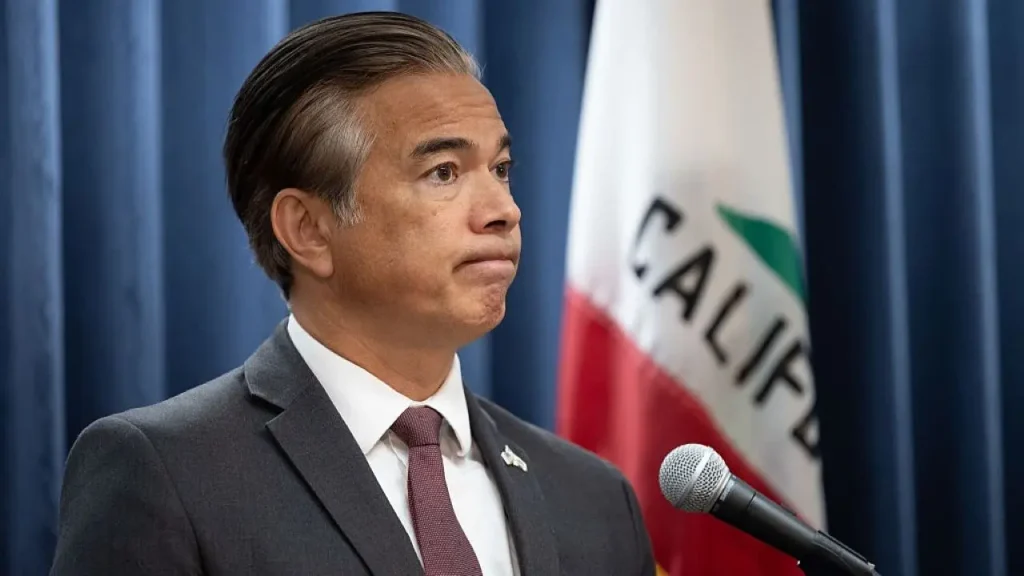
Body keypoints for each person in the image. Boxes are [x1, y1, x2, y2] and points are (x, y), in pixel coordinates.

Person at [49, 11, 655, 576]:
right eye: (443, 172)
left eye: (500, 169)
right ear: (308, 230)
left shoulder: (595, 499)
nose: (504, 210)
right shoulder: (167, 473)